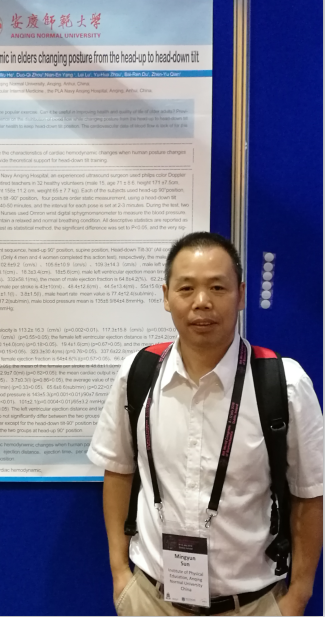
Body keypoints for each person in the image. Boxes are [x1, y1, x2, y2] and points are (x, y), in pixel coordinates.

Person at [88, 232, 323, 616]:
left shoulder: (285, 384)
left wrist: (298, 595)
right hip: (150, 599)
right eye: (186, 288)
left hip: (252, 606)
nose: (202, 302)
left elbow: (309, 494)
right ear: (166, 296)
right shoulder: (138, 374)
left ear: (241, 294)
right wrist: (119, 574)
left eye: (217, 287)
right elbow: (118, 470)